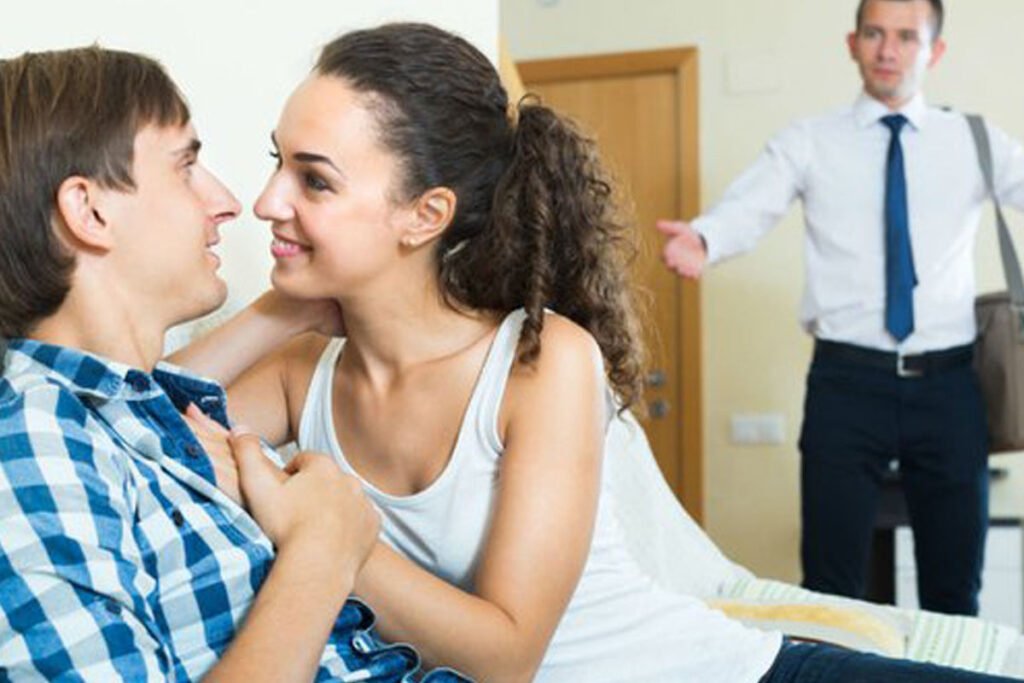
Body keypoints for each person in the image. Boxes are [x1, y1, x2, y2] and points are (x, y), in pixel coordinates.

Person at [179, 20, 1024, 683]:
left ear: (425, 215)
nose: (264, 202)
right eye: (275, 163)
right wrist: (273, 309)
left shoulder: (541, 365)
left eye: (313, 179)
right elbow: (124, 423)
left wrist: (330, 539)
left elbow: (508, 655)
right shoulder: (300, 377)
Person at [0, 45, 468, 682]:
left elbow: (154, 390)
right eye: (186, 167)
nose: (228, 202)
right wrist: (323, 549)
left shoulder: (123, 416)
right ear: (90, 211)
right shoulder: (34, 436)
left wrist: (289, 309)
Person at [658, 0, 1024, 616]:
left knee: (954, 587)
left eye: (907, 37)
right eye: (875, 33)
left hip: (950, 386)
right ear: (851, 43)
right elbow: (751, 207)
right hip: (846, 384)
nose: (888, 49)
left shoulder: (974, 140)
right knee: (831, 587)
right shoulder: (808, 142)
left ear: (933, 52)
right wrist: (705, 237)